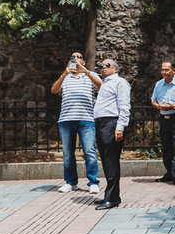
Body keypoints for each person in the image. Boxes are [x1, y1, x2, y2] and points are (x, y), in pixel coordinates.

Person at [52, 51, 102, 194]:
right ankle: (70, 182)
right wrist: (64, 73)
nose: (75, 59)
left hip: (86, 119)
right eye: (72, 57)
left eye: (78, 57)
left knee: (89, 152)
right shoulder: (65, 77)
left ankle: (93, 182)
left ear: (84, 62)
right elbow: (54, 90)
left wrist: (86, 72)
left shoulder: (90, 75)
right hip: (66, 120)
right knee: (68, 153)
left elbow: (101, 87)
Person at [93, 59, 131, 210]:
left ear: (115, 68)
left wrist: (120, 127)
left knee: (111, 160)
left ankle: (112, 198)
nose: (103, 68)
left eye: (107, 65)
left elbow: (124, 105)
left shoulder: (119, 82)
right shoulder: (105, 83)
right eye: (101, 66)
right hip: (102, 123)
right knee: (106, 160)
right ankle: (111, 195)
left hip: (111, 123)